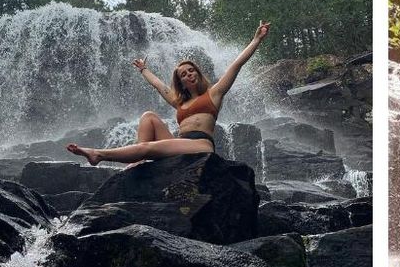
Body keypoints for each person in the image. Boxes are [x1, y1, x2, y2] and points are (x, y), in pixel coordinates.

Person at [67, 22, 270, 165]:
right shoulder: (178, 102)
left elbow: (236, 65)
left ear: (198, 74)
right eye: (183, 74)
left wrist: (256, 40)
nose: (188, 74)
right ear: (180, 81)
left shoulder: (214, 94)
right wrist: (143, 69)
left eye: (191, 71)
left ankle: (99, 155)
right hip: (179, 142)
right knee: (148, 117)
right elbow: (159, 85)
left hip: (200, 145)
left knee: (147, 147)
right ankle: (138, 159)